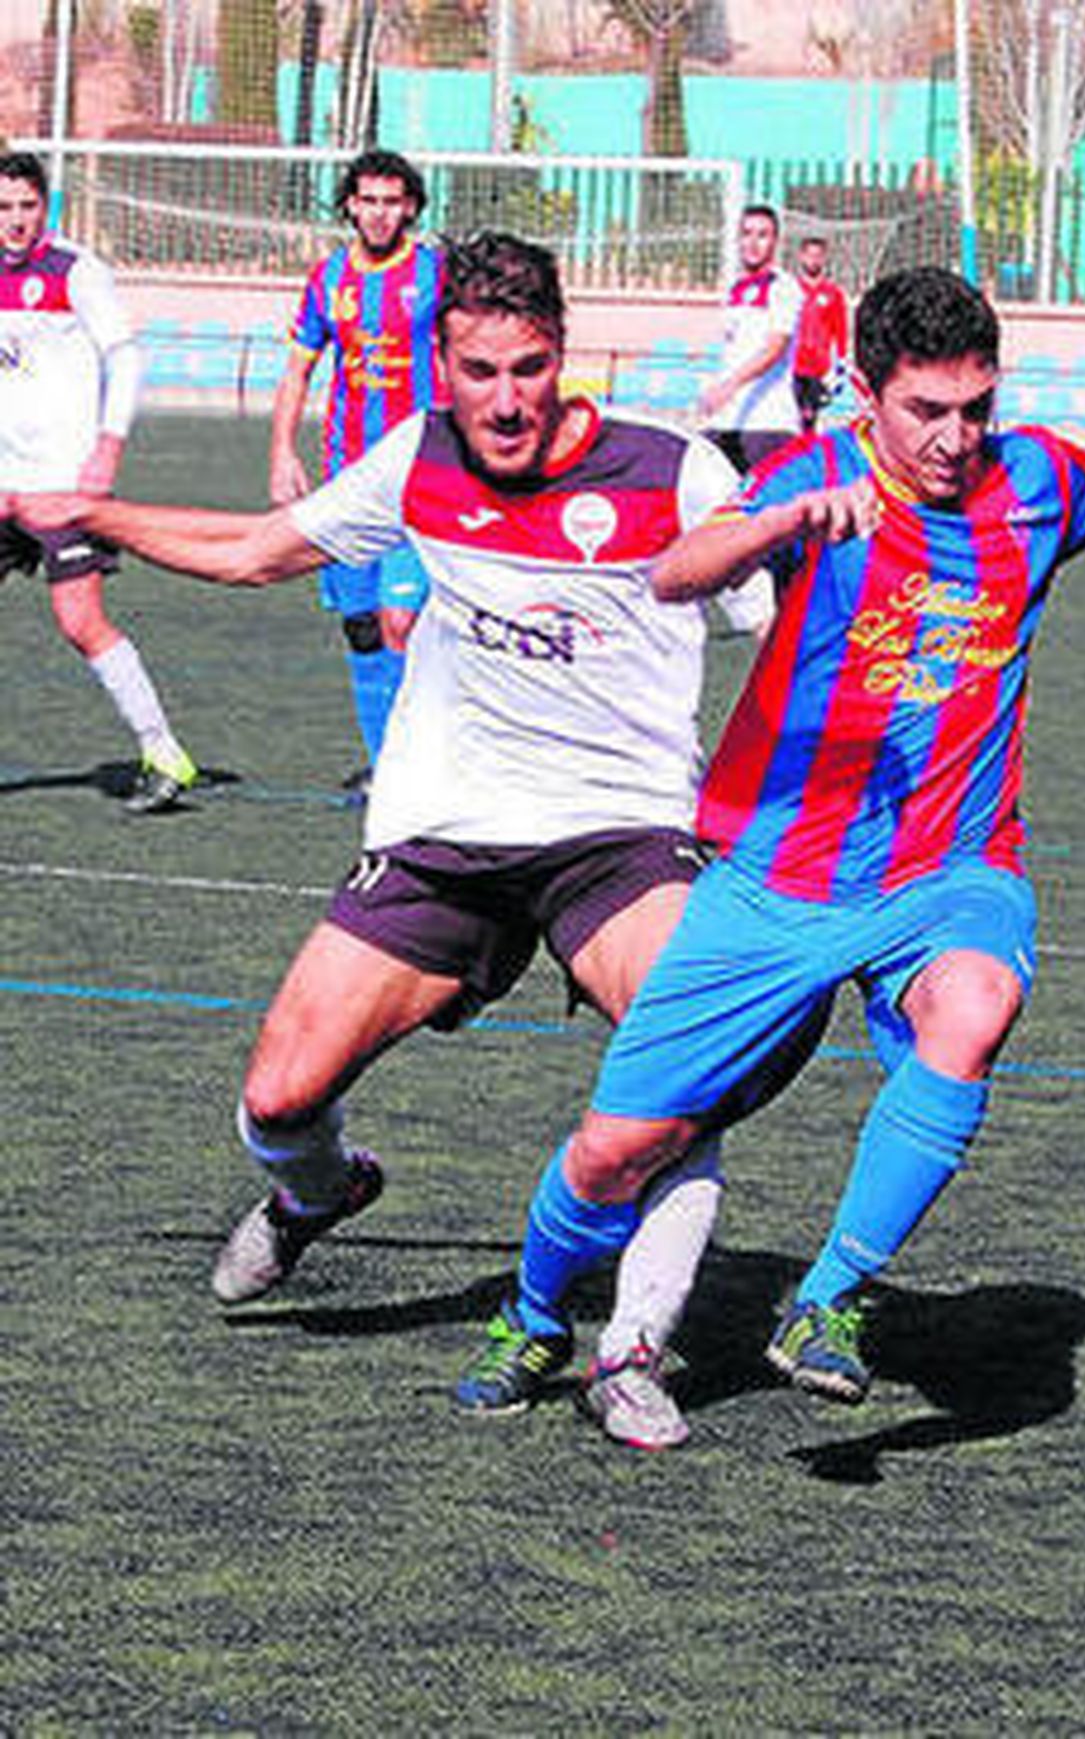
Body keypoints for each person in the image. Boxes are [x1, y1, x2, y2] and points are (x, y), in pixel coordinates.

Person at [454, 265, 1085, 1423]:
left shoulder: (1037, 477)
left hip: (952, 868)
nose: (954, 437)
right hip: (776, 878)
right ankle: (535, 1313)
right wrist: (782, 523)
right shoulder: (817, 475)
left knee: (975, 1006)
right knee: (613, 1150)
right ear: (861, 394)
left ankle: (832, 1294)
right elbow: (673, 570)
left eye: (973, 406)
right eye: (924, 411)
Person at [9, 232, 776, 1453]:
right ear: (443, 363)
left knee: (687, 1064)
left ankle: (632, 1345)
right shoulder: (417, 457)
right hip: (443, 839)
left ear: (562, 357)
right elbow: (261, 551)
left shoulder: (671, 470)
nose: (507, 397)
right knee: (276, 1095)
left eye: (529, 367)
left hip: (618, 837)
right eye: (479, 370)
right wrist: (94, 510)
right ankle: (324, 1189)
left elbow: (776, 626)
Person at [0, 149, 197, 813]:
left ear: (45, 207)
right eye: (4, 208)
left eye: (28, 206)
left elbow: (127, 356)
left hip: (65, 483)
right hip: (7, 482)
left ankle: (163, 752)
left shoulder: (76, 271)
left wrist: (107, 450)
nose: (16, 220)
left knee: (80, 620)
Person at [270, 148, 445, 791]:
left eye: (391, 201)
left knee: (405, 621)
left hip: (422, 478)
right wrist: (282, 450)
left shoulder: (436, 274)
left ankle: (415, 763)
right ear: (349, 203)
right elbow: (298, 369)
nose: (378, 213)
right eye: (367, 200)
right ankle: (384, 763)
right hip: (348, 478)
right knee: (363, 625)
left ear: (410, 207)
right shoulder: (327, 280)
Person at [697, 203, 803, 473]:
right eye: (747, 233)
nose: (753, 243)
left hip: (767, 423)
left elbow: (775, 348)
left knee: (763, 510)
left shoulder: (782, 287)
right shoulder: (735, 288)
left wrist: (729, 385)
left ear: (775, 242)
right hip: (726, 421)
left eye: (762, 235)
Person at [790, 234, 849, 435]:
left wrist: (841, 363)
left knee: (810, 417)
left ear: (824, 259)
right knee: (789, 416)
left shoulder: (833, 293)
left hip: (818, 366)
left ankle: (807, 456)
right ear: (801, 257)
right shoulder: (789, 290)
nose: (813, 261)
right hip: (792, 364)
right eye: (810, 255)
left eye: (818, 256)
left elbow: (840, 328)